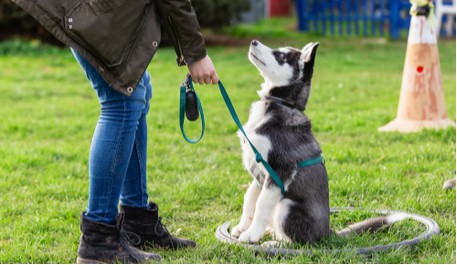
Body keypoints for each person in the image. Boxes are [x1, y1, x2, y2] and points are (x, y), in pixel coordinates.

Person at [12, 0, 218, 263]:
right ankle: (98, 240)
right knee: (121, 103)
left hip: (100, 9)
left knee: (136, 89)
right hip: (93, 11)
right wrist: (196, 54)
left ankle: (137, 218)